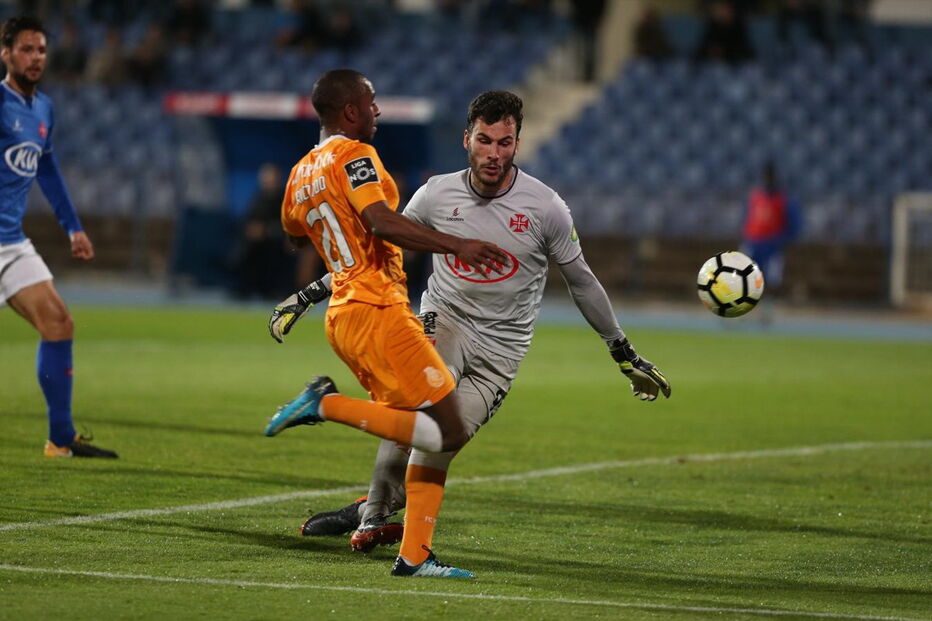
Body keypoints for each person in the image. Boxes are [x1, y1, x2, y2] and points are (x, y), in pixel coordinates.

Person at [269, 90, 671, 577]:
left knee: (440, 441)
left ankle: (374, 508)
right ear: (467, 140)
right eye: (485, 140)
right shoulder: (437, 194)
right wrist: (312, 292)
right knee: (419, 405)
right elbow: (378, 250)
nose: (494, 153)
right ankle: (381, 521)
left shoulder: (545, 207)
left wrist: (623, 354)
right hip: (447, 319)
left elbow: (582, 280)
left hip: (503, 352)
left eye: (505, 142)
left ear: (517, 144)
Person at [263, 69, 510, 578]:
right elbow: (380, 220)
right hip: (379, 310)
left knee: (415, 432)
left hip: (344, 319)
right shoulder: (355, 155)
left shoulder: (299, 174)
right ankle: (323, 404)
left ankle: (410, 552)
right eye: (371, 103)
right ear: (350, 111)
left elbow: (293, 233)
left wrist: (331, 247)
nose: (376, 111)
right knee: (448, 430)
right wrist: (457, 243)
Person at [0, 16, 117, 458]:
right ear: (6, 53)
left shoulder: (43, 108)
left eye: (41, 51)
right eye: (26, 50)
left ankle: (60, 438)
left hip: (10, 242)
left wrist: (73, 227)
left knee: (58, 323)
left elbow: (46, 170)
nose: (35, 58)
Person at [740, 162, 802, 315]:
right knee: (744, 276)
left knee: (771, 279)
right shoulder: (756, 197)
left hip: (772, 246)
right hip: (753, 243)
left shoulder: (784, 200)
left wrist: (782, 241)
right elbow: (748, 220)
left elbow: (794, 226)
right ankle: (741, 307)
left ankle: (766, 309)